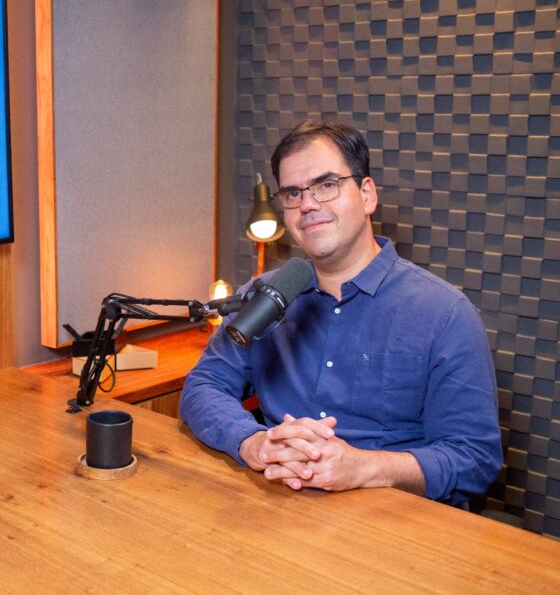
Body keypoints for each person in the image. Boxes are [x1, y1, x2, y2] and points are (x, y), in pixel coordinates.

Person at [180, 122, 502, 505]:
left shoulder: (445, 314)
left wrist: (364, 468)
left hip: (393, 520)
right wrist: (252, 442)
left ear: (367, 195)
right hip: (275, 503)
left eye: (326, 184)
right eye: (293, 193)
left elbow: (474, 459)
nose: (308, 204)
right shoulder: (264, 295)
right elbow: (204, 385)